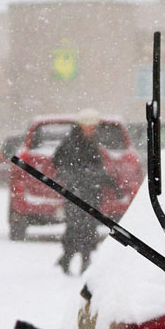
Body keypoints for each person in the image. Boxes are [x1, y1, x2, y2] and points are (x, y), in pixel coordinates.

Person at [52, 108, 121, 274]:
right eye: (90, 126)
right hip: (77, 192)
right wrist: (77, 176)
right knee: (76, 227)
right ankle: (71, 258)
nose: (92, 129)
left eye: (94, 127)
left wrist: (110, 184)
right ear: (82, 126)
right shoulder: (72, 143)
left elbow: (96, 169)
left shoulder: (90, 142)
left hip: (90, 192)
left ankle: (80, 259)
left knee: (88, 227)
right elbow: (60, 163)